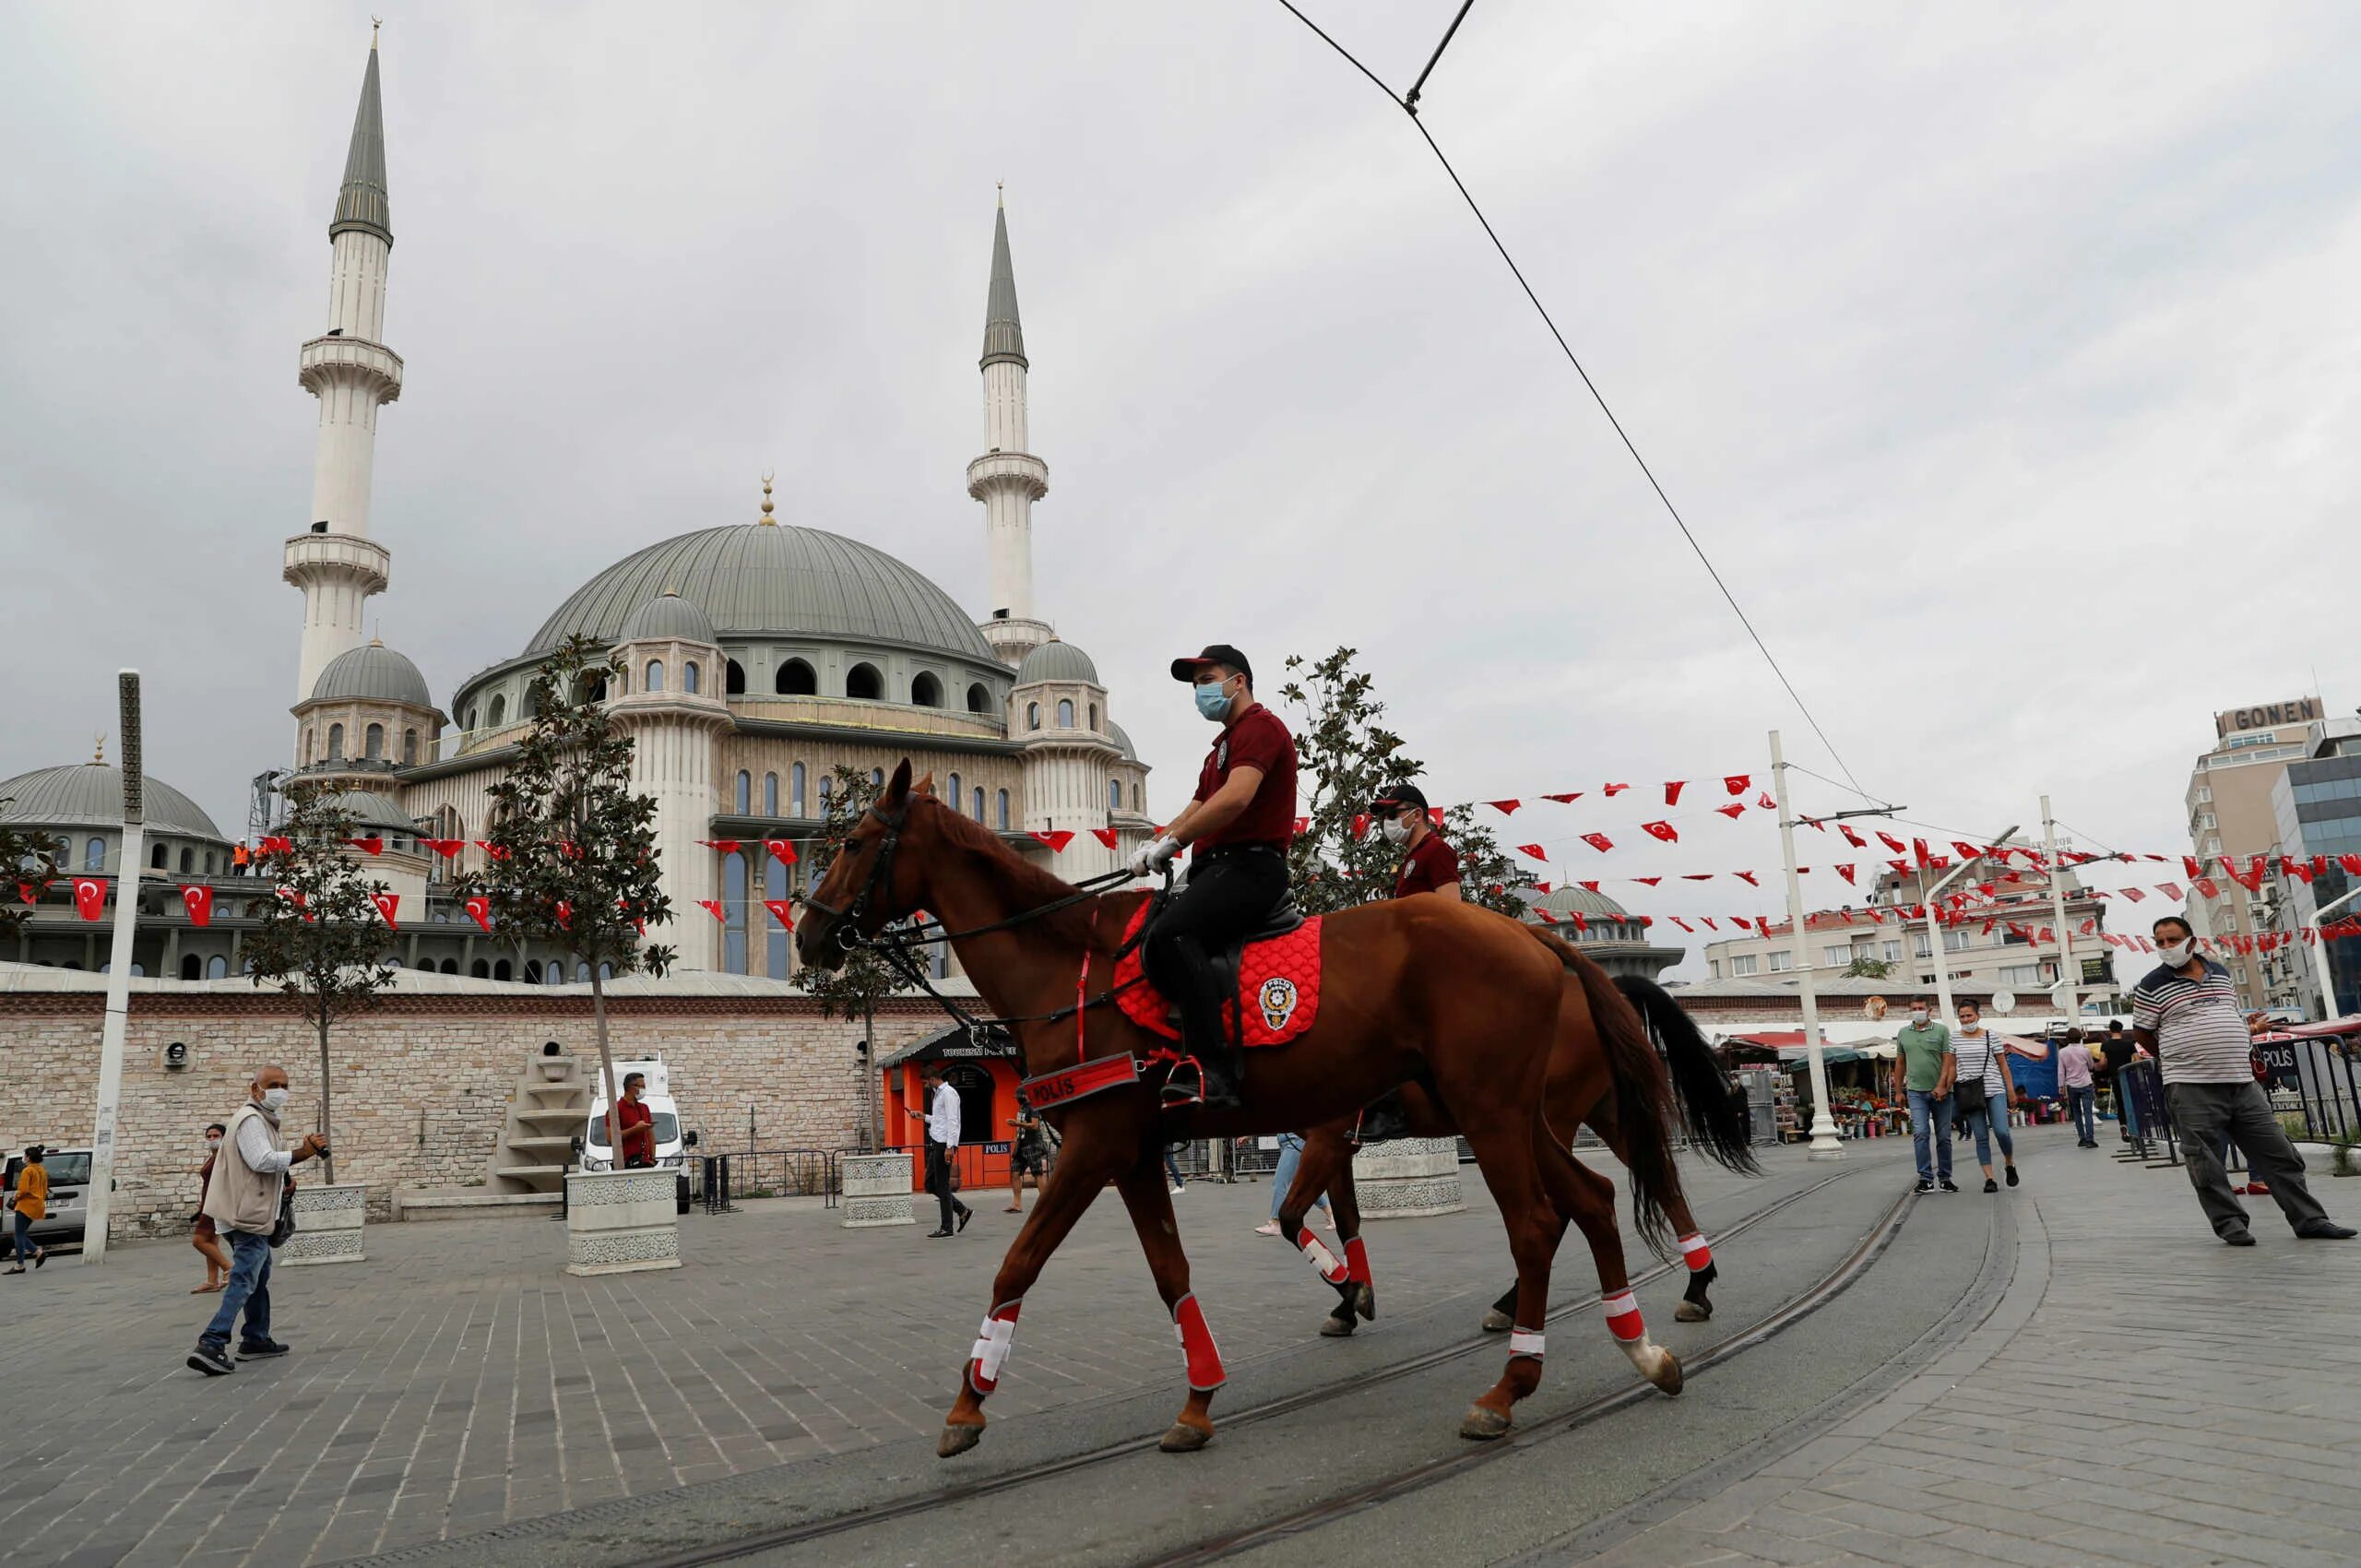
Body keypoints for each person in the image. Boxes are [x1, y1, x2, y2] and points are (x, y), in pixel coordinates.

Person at [1131, 644, 1298, 1111]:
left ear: (1238, 681)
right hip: (1216, 866)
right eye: (1196, 685)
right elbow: (1202, 804)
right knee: (1149, 933)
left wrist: (1175, 841)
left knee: (1174, 933)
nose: (1200, 691)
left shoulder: (1260, 728)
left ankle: (1213, 1069)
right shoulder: (1222, 745)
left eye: (1208, 680)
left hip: (1250, 866)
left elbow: (1237, 798)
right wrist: (1157, 840)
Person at [2131, 914, 2354, 1246]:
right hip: (2190, 1084)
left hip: (2241, 1079)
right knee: (2204, 1161)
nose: (2166, 947)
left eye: (2172, 939)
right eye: (2159, 941)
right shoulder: (2152, 984)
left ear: (2191, 940)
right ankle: (2231, 1225)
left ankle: (2310, 1220)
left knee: (2279, 1153)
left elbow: (2228, 1014)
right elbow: (2145, 1034)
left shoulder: (2219, 973)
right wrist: (2183, 1054)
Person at [188, 1063, 330, 1374]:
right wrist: (302, 1153)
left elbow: (260, 1163)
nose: (281, 1090)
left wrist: (288, 1174)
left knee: (259, 1273)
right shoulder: (251, 1119)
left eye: (285, 1084)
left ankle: (255, 1338)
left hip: (246, 1211)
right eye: (274, 1084)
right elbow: (261, 1160)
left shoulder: (263, 1120)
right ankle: (212, 1342)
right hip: (246, 1215)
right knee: (245, 1277)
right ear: (255, 1089)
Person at [1949, 1002, 2020, 1194]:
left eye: (1969, 1016)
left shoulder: (1991, 1036)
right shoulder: (1954, 1038)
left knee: (2002, 1131)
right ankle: (1989, 1178)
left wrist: (2011, 1090)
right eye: (1962, 1016)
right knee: (1981, 1136)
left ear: (1977, 1016)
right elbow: (1952, 1066)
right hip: (1969, 1092)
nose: (1966, 1020)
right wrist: (1945, 1087)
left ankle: (2009, 1162)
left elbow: (2003, 1066)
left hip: (1994, 1088)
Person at [1892, 997, 1957, 1194]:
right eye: (1914, 1009)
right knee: (1920, 1133)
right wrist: (1898, 1091)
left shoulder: (1941, 1031)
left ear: (1930, 1010)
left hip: (1941, 1092)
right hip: (1916, 1092)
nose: (1918, 1011)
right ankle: (1925, 1178)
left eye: (1921, 1008)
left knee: (1944, 1136)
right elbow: (1900, 1063)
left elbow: (1948, 1061)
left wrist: (1942, 1085)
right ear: (1909, 1010)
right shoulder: (1903, 1033)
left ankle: (1945, 1177)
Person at [903, 1065, 972, 1238]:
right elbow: (940, 1120)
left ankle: (947, 1227)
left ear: (933, 1079)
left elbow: (953, 1121)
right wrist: (923, 1116)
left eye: (926, 1083)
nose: (926, 1086)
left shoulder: (948, 1093)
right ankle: (961, 1210)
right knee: (930, 1184)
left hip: (944, 1144)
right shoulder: (939, 1094)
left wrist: (950, 1147)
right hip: (938, 1142)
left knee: (941, 1184)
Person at [1371, 783, 1460, 900]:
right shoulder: (1412, 857)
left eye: (1392, 814)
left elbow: (1452, 909)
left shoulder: (1437, 849)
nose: (1387, 821)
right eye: (1383, 816)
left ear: (1417, 815)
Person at [1255, 1132, 1330, 1237]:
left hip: (1293, 1142)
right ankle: (1331, 1216)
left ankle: (1275, 1223)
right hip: (1288, 1142)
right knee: (1304, 1185)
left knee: (1280, 1182)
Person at [192, 1122, 231, 1292]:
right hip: (207, 1204)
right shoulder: (213, 1157)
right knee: (211, 1241)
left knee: (199, 1241)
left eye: (216, 1136)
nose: (212, 1139)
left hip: (215, 1204)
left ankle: (230, 1269)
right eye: (209, 1136)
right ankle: (212, 1280)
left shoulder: (225, 1157)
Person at [5, 1146, 48, 1274]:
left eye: (25, 1155)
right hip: (37, 1204)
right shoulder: (42, 1170)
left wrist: (15, 1198)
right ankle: (37, 1252)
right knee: (20, 1234)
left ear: (28, 1157)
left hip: (25, 1205)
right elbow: (45, 1189)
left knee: (18, 1235)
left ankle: (20, 1264)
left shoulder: (27, 1171)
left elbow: (23, 1190)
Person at [1005, 1093, 1050, 1214]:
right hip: (1021, 1144)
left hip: (1033, 1144)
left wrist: (1017, 1124)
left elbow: (1035, 1126)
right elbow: (1019, 1128)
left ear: (1025, 1095)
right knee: (1014, 1171)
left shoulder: (1033, 1107)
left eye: (1019, 1096)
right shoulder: (1022, 1108)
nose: (1017, 1099)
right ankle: (1017, 1204)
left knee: (1037, 1173)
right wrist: (1016, 1139)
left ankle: (1046, 1204)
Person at [2097, 1019, 2141, 1143]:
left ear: (2110, 1031)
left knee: (2121, 1104)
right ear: (2121, 1030)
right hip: (2129, 1077)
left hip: (2115, 1077)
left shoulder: (2105, 1045)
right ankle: (2135, 1130)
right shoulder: (2129, 1044)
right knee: (2132, 1103)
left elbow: (2102, 1063)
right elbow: (2137, 1060)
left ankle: (2124, 1128)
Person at [2058, 1031, 2097, 1148]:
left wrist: (2061, 1086)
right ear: (2080, 1038)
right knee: (2088, 1112)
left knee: (2077, 1112)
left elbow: (2061, 1071)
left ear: (2067, 1038)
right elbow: (2091, 1066)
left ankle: (2082, 1138)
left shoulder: (2062, 1052)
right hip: (2085, 1083)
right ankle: (2090, 1139)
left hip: (2071, 1085)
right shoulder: (2085, 1051)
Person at [615, 1071, 656, 1169]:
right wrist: (635, 1129)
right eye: (642, 1086)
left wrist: (652, 1158)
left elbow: (650, 1135)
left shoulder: (644, 1108)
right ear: (632, 1087)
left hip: (646, 1162)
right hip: (627, 1163)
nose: (644, 1089)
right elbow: (611, 1138)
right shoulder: (616, 1109)